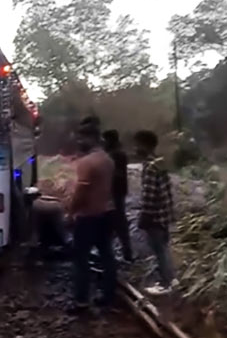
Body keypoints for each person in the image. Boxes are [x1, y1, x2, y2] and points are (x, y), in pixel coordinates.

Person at [68, 117, 116, 311]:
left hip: (88, 216)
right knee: (107, 256)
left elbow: (81, 192)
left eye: (81, 138)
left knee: (81, 259)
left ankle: (81, 301)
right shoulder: (107, 159)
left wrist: (70, 212)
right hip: (107, 212)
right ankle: (108, 295)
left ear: (90, 138)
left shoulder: (87, 162)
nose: (79, 141)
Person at [133, 130, 178, 295]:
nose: (135, 149)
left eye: (137, 145)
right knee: (163, 248)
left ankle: (166, 283)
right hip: (164, 214)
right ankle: (170, 278)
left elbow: (149, 196)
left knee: (159, 249)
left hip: (154, 216)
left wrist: (144, 217)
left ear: (145, 145)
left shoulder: (150, 167)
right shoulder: (159, 163)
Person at [103, 129, 133, 262]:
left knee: (117, 222)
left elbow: (118, 174)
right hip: (116, 192)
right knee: (115, 222)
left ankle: (125, 253)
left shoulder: (116, 154)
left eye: (105, 140)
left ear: (110, 140)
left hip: (115, 192)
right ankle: (121, 252)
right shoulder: (117, 153)